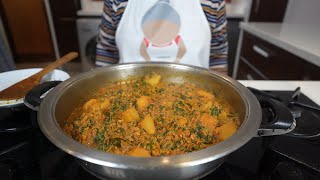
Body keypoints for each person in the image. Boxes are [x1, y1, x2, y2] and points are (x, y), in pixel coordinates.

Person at [96, 0, 228, 74]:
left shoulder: (213, 2)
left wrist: (223, 92)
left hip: (199, 96)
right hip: (125, 92)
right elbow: (106, 50)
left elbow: (218, 54)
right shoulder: (117, 1)